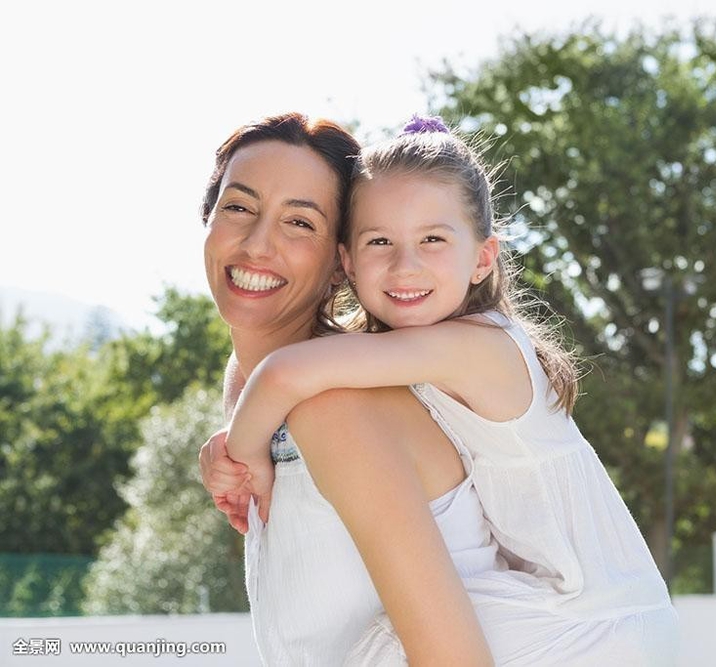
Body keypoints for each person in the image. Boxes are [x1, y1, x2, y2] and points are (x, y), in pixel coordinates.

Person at [224, 114, 680, 665]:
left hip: (589, 618)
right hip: (556, 605)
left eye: (433, 239)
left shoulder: (477, 346)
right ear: (348, 261)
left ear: (483, 258)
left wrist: (239, 453)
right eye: (379, 241)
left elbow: (282, 373)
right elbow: (264, 367)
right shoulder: (409, 350)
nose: (405, 265)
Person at [198, 111, 497, 666]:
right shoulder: (249, 386)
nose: (258, 245)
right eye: (238, 207)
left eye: (300, 222)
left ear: (343, 263)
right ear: (208, 221)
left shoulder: (337, 408)